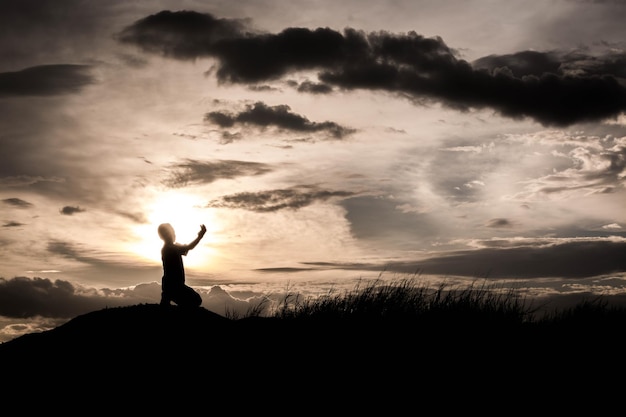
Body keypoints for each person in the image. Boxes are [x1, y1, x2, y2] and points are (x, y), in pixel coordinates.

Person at [158, 222, 206, 308]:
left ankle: (166, 299)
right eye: (172, 233)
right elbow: (188, 247)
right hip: (174, 287)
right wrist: (200, 237)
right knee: (196, 300)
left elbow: (188, 247)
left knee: (195, 300)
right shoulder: (170, 249)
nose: (174, 235)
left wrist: (199, 237)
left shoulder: (172, 248)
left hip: (173, 286)